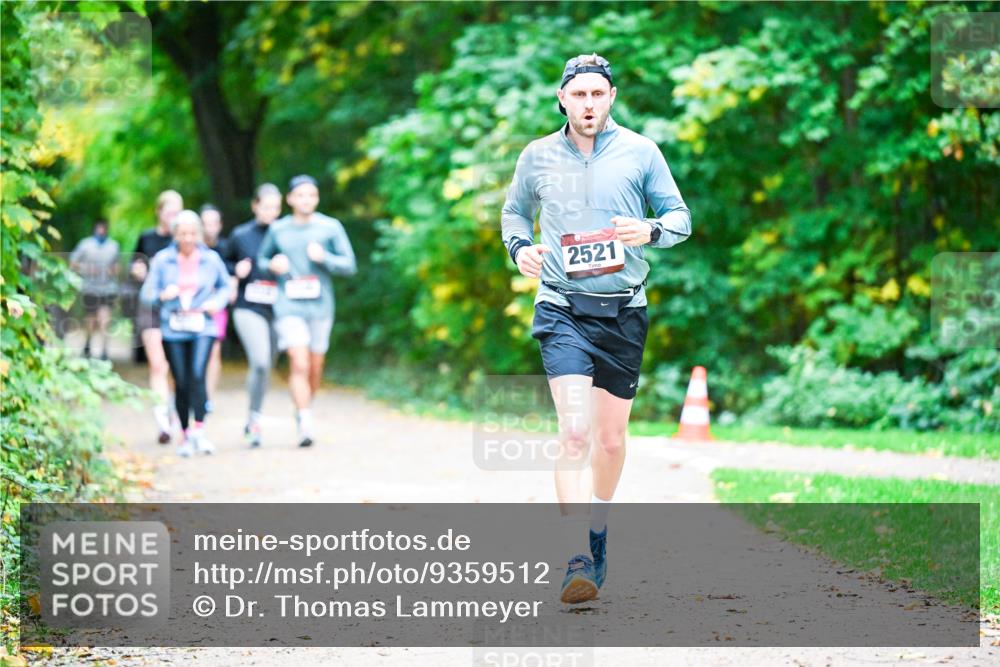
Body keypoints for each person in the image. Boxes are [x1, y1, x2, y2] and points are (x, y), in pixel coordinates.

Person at [500, 54, 692, 604]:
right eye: (578, 94)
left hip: (624, 309)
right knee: (576, 432)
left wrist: (649, 230)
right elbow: (514, 213)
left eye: (597, 94)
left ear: (612, 97)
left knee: (609, 440)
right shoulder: (537, 155)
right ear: (562, 98)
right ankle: (574, 556)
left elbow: (681, 219)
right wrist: (520, 248)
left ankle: (598, 532)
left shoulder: (641, 152)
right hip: (561, 306)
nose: (588, 104)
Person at [258, 175, 356, 448]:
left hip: (321, 307)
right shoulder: (278, 230)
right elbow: (262, 260)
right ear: (289, 199)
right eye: (300, 196)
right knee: (298, 362)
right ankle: (304, 419)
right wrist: (272, 264)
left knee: (314, 366)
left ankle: (304, 408)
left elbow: (350, 265)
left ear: (317, 199)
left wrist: (324, 257)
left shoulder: (330, 227)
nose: (305, 200)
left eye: (311, 195)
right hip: (288, 306)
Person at [140, 210, 231, 457]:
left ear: (199, 233)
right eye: (183, 233)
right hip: (173, 326)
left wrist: (217, 302)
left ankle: (199, 430)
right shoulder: (162, 259)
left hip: (203, 325)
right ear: (175, 234)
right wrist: (163, 294)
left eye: (192, 233)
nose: (188, 238)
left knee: (197, 374)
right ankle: (185, 433)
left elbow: (225, 287)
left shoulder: (211, 259)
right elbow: (146, 294)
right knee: (180, 380)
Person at [225, 184, 283, 448]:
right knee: (259, 361)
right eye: (266, 206)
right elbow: (220, 262)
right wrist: (235, 268)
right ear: (255, 206)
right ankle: (254, 419)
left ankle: (254, 417)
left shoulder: (285, 233)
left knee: (267, 365)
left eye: (275, 207)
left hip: (280, 308)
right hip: (248, 306)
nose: (271, 212)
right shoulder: (240, 235)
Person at [131, 190, 183, 444]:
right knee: (158, 365)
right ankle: (163, 420)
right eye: (169, 211)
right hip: (151, 307)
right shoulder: (147, 239)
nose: (174, 217)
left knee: (175, 367)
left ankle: (174, 409)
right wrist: (138, 271)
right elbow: (134, 265)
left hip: (179, 310)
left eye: (178, 211)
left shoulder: (186, 240)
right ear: (159, 212)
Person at [69, 219, 120, 360]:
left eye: (104, 228)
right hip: (90, 288)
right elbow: (72, 263)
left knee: (105, 318)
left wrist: (113, 271)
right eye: (99, 228)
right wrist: (86, 269)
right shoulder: (85, 245)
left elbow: (118, 266)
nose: (101, 230)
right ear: (95, 228)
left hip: (108, 288)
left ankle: (104, 351)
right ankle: (87, 344)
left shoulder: (113, 246)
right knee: (91, 319)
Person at [199, 203, 233, 412]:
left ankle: (207, 399)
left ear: (220, 225)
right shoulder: (189, 248)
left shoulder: (226, 248)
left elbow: (233, 273)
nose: (210, 227)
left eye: (214, 223)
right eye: (205, 223)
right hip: (188, 309)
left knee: (214, 351)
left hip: (216, 308)